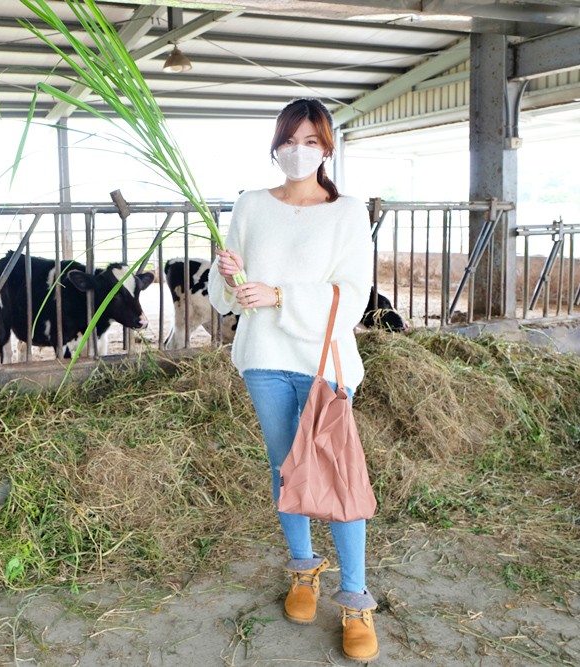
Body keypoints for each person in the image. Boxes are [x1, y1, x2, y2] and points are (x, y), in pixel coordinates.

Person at [207, 98, 378, 662]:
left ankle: (354, 599)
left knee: (338, 472)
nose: (297, 151)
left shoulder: (348, 212)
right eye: (289, 140)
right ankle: (304, 572)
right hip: (264, 357)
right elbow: (224, 292)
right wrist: (229, 276)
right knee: (285, 469)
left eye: (310, 141)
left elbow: (353, 295)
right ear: (275, 145)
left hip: (325, 363)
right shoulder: (252, 205)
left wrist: (280, 296)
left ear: (327, 148)